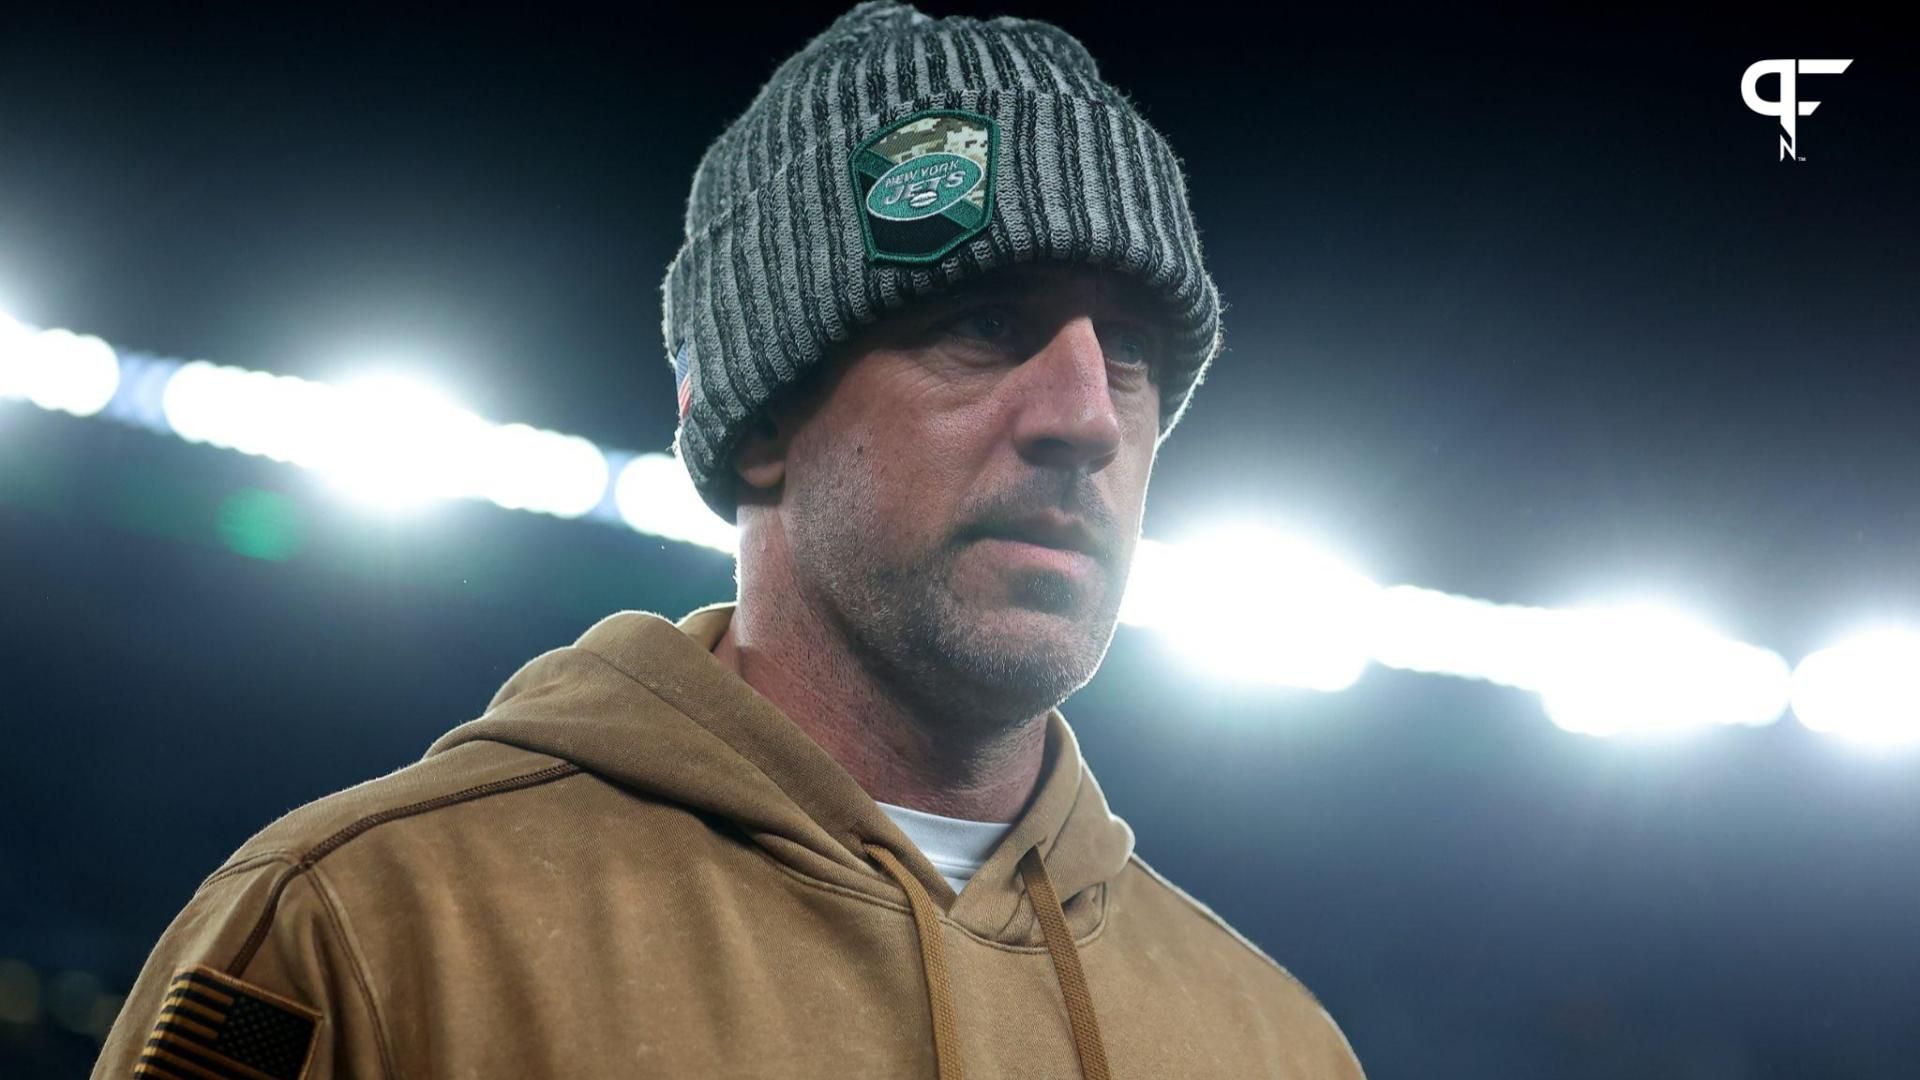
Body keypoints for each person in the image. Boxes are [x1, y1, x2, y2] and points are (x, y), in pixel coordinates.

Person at [96, 3, 1365, 1077]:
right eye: (986, 324)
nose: (1088, 416)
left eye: (1132, 353)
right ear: (759, 422)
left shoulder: (1278, 1044)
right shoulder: (369, 931)